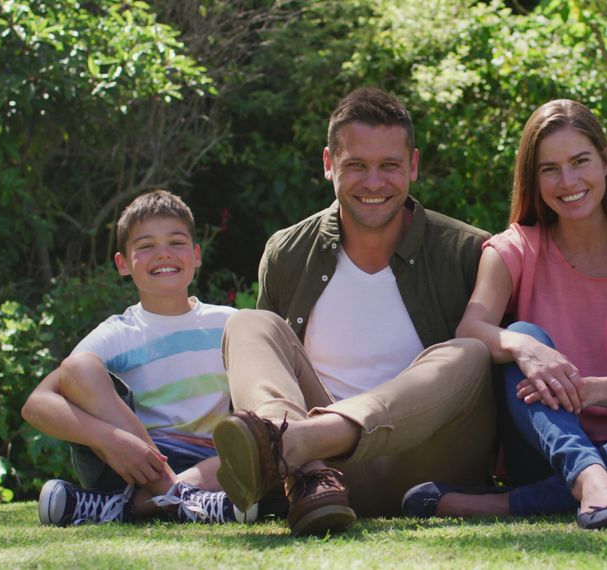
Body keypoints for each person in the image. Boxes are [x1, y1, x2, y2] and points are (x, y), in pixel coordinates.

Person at [402, 100, 607, 530]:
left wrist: (581, 390)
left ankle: (510, 503)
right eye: (549, 169)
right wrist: (524, 346)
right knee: (519, 334)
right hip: (545, 448)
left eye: (580, 161)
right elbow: (471, 330)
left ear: (606, 162)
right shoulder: (516, 247)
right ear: (533, 179)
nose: (568, 181)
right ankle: (588, 477)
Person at [212, 87, 495, 536]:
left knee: (471, 353)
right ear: (329, 164)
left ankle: (287, 443)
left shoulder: (468, 250)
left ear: (414, 166)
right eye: (356, 166)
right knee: (248, 323)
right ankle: (298, 457)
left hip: (430, 466)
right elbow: (265, 371)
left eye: (390, 166)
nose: (374, 183)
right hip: (326, 478)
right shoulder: (288, 252)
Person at [22, 190, 249, 525]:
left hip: (211, 461)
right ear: (123, 264)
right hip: (136, 458)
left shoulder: (230, 322)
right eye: (146, 246)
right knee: (78, 366)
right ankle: (187, 501)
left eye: (176, 242)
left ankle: (125, 507)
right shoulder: (119, 333)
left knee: (268, 439)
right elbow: (36, 404)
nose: (163, 254)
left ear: (197, 255)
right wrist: (108, 438)